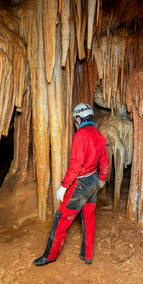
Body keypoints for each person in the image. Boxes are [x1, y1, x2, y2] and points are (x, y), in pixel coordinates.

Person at [33, 103, 109, 266]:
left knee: (61, 219)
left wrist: (63, 185)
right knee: (88, 218)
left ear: (78, 118)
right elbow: (104, 161)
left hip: (81, 183)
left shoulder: (81, 135)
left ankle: (50, 256)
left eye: (75, 120)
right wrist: (101, 178)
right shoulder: (99, 136)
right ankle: (87, 255)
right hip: (94, 181)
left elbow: (75, 165)